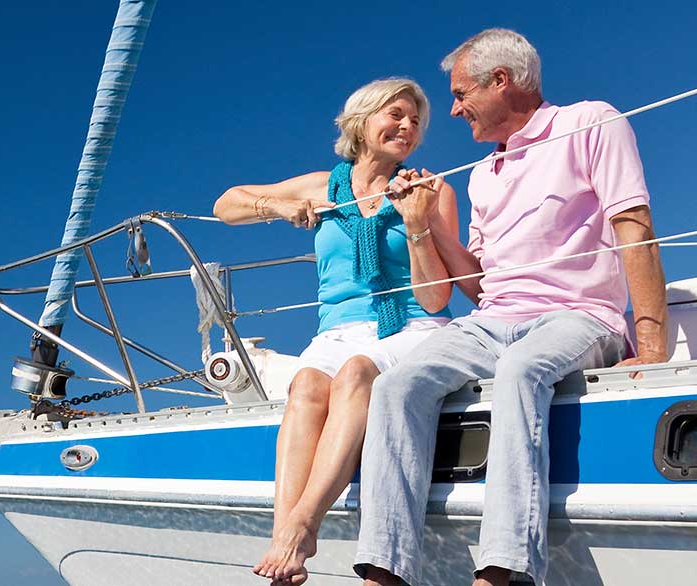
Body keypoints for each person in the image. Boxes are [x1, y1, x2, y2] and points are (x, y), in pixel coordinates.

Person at [353, 29, 670, 586]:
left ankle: (502, 570)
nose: (452, 111)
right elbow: (478, 288)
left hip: (579, 314)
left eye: (459, 94)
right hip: (493, 319)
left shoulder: (591, 121)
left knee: (519, 371)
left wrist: (651, 346)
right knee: (397, 385)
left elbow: (634, 228)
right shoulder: (482, 175)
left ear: (501, 82)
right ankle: (385, 570)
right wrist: (423, 221)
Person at [211, 77, 460, 586]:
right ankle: (284, 533)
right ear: (362, 122)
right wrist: (276, 208)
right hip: (338, 328)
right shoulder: (322, 185)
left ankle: (303, 526)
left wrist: (416, 220)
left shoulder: (433, 190)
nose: (407, 126)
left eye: (415, 121)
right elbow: (226, 204)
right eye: (395, 115)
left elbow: (438, 298)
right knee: (305, 386)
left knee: (355, 374)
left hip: (411, 323)